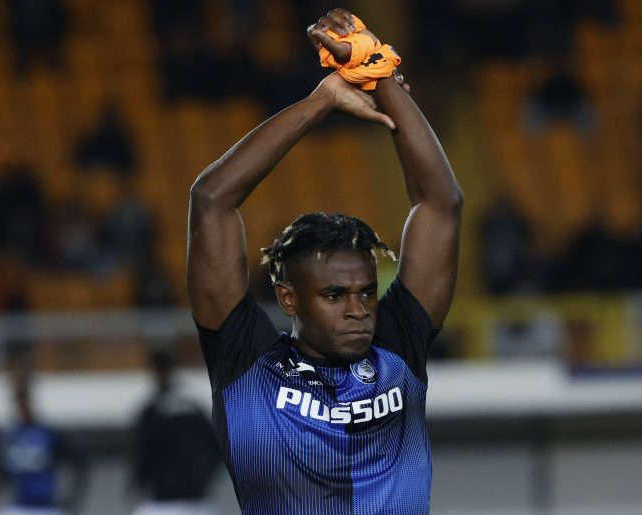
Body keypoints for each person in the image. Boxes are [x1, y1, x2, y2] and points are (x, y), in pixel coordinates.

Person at [187, 8, 463, 514]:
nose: (359, 309)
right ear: (288, 297)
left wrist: (375, 73)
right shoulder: (244, 361)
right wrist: (321, 102)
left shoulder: (397, 346)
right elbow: (211, 200)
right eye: (335, 295)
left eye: (364, 291)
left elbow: (440, 203)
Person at [128, 350, 221, 515]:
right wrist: (204, 479)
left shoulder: (152, 412)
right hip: (197, 502)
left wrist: (136, 484)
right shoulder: (193, 409)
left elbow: (144, 453)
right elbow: (218, 448)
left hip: (161, 503)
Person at [0, 376, 84, 515]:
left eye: (26, 401)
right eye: (19, 403)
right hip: (19, 506)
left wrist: (72, 498)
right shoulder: (10, 436)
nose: (23, 407)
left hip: (46, 507)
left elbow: (78, 463)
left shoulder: (48, 433)